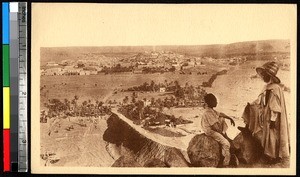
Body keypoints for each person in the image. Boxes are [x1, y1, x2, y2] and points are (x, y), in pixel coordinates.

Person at [252, 61, 290, 163]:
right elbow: (260, 100)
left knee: (273, 136)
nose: (263, 77)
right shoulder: (266, 87)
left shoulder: (275, 88)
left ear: (270, 77)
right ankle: (269, 154)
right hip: (266, 115)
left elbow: (275, 107)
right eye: (263, 75)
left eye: (266, 75)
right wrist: (251, 105)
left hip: (273, 116)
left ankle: (274, 156)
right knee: (268, 135)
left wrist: (273, 119)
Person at [201, 93, 237, 167]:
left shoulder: (211, 110)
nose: (216, 102)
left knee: (222, 118)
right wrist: (221, 134)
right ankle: (226, 163)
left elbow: (220, 114)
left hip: (214, 129)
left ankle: (224, 135)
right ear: (209, 102)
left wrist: (230, 118)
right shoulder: (207, 113)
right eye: (215, 101)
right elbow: (214, 126)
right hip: (210, 131)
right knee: (226, 143)